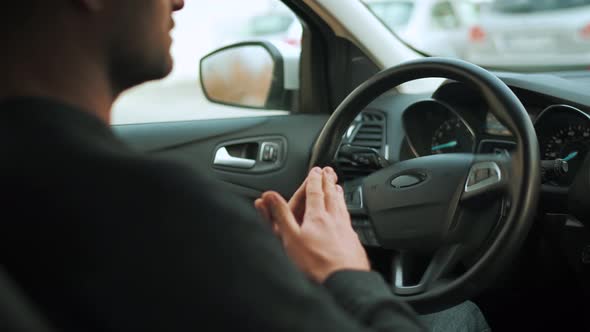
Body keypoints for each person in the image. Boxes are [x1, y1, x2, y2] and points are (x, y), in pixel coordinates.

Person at [0, 0, 487, 331]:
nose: (179, 2)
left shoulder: (46, 189)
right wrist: (344, 271)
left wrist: (255, 262)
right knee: (460, 316)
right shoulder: (156, 213)